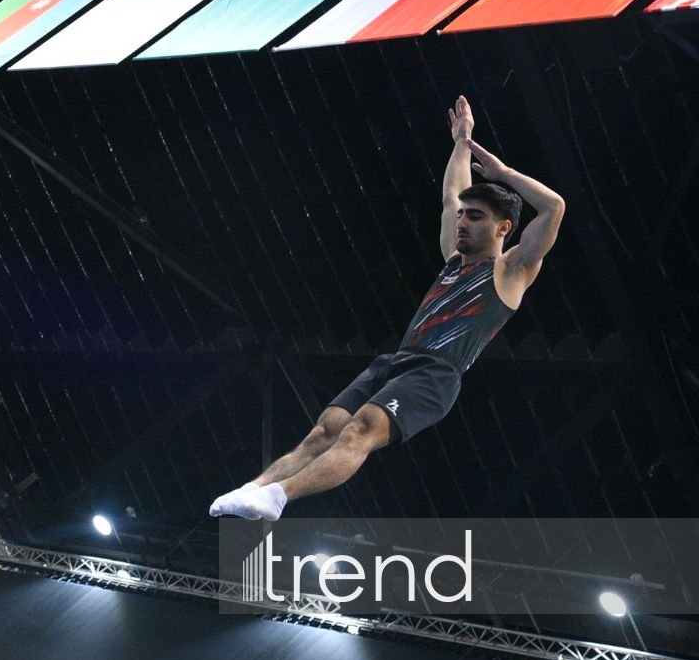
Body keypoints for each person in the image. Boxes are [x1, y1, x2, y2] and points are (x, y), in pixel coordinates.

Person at [209, 95, 565, 520]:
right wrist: (461, 141)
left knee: (359, 431)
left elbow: (554, 207)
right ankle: (255, 488)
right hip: (395, 361)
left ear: (504, 227)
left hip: (435, 374)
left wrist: (503, 173)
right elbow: (451, 194)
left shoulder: (511, 271)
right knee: (324, 431)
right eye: (463, 217)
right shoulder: (453, 258)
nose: (462, 221)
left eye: (474, 217)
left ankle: (278, 497)